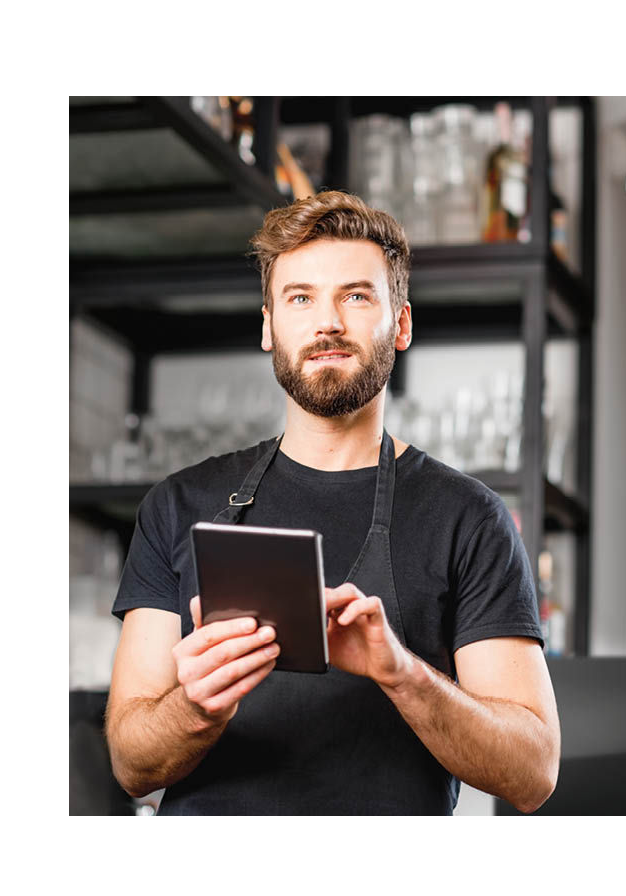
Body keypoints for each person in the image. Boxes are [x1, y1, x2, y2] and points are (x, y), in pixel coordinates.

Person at [104, 190, 560, 815]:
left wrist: (401, 672)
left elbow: (533, 771)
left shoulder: (468, 518)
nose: (327, 323)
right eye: (300, 298)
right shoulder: (179, 505)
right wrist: (196, 706)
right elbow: (131, 764)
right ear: (268, 326)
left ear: (400, 324)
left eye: (355, 295)